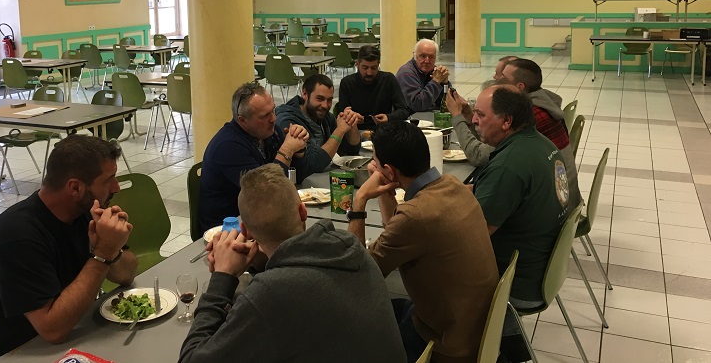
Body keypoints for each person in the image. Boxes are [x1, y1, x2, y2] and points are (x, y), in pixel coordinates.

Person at [178, 164, 406, 363]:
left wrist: (222, 277)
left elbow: (192, 359)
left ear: (245, 230)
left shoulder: (269, 293)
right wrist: (260, 261)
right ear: (303, 211)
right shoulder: (349, 245)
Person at [0, 136, 138, 363]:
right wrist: (102, 254)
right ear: (75, 187)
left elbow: (128, 274)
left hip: (68, 339)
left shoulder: (83, 213)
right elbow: (52, 330)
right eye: (109, 180)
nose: (116, 187)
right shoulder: (17, 237)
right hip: (20, 353)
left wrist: (111, 248)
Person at [348, 122, 499, 363]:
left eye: (375, 161)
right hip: (477, 330)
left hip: (445, 345)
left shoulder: (415, 216)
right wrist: (387, 190)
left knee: (354, 325)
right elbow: (397, 230)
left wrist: (360, 200)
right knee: (392, 308)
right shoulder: (453, 185)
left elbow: (358, 276)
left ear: (389, 170)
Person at [470, 86, 573, 362]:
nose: (474, 120)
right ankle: (510, 343)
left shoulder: (508, 166)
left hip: (518, 283)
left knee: (429, 266)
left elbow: (473, 236)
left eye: (480, 114)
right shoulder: (542, 144)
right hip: (544, 269)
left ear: (506, 121)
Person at [199, 82, 309, 233]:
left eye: (273, 110)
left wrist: (298, 150)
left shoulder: (268, 131)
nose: (273, 118)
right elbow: (267, 193)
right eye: (264, 116)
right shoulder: (228, 146)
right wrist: (287, 149)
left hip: (261, 218)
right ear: (242, 120)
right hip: (228, 230)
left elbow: (296, 179)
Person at [500, 58, 581, 210]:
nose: (496, 80)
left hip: (557, 209)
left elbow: (480, 155)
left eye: (502, 78)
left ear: (520, 86)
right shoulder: (544, 102)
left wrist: (460, 116)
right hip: (564, 198)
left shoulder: (531, 116)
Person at [275, 73, 362, 174]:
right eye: (320, 99)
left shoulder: (325, 116)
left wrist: (351, 122)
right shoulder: (288, 121)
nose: (325, 105)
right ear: (305, 94)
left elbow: (351, 152)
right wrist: (339, 131)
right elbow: (313, 165)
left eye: (329, 100)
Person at [337, 44, 411, 132]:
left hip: (384, 130)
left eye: (373, 68)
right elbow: (342, 115)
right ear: (357, 64)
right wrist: (352, 117)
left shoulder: (388, 79)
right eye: (365, 68)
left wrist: (388, 117)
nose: (369, 73)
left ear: (378, 64)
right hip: (356, 130)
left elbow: (403, 110)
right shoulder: (347, 83)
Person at [395, 38, 450, 112]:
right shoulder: (406, 73)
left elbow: (449, 104)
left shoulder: (433, 71)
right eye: (423, 56)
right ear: (415, 56)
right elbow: (417, 105)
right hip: (409, 116)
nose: (427, 61)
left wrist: (444, 83)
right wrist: (436, 82)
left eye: (431, 57)